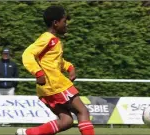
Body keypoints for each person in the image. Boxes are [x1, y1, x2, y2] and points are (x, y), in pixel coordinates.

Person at [17, 5, 95, 135]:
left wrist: (69, 67)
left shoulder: (53, 41)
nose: (66, 25)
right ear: (55, 23)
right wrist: (38, 72)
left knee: (66, 121)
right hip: (56, 83)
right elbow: (27, 54)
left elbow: (55, 61)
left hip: (46, 88)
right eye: (64, 21)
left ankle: (28, 133)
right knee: (83, 112)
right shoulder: (48, 38)